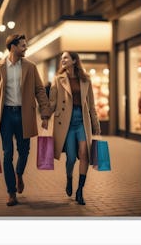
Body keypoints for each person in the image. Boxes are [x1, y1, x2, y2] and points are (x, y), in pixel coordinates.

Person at [0, 34, 50, 206]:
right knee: (7, 154)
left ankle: (19, 173)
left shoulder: (30, 66)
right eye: (22, 45)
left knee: (24, 151)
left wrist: (45, 114)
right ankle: (11, 192)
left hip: (24, 115)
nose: (25, 48)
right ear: (12, 47)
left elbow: (40, 91)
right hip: (5, 116)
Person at [49, 51, 101, 205]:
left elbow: (91, 104)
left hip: (82, 121)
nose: (62, 60)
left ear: (74, 60)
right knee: (71, 158)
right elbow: (52, 102)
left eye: (65, 57)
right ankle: (69, 178)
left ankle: (80, 190)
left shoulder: (85, 79)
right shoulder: (58, 79)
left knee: (84, 154)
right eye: (61, 58)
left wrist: (96, 125)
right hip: (67, 122)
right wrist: (45, 116)